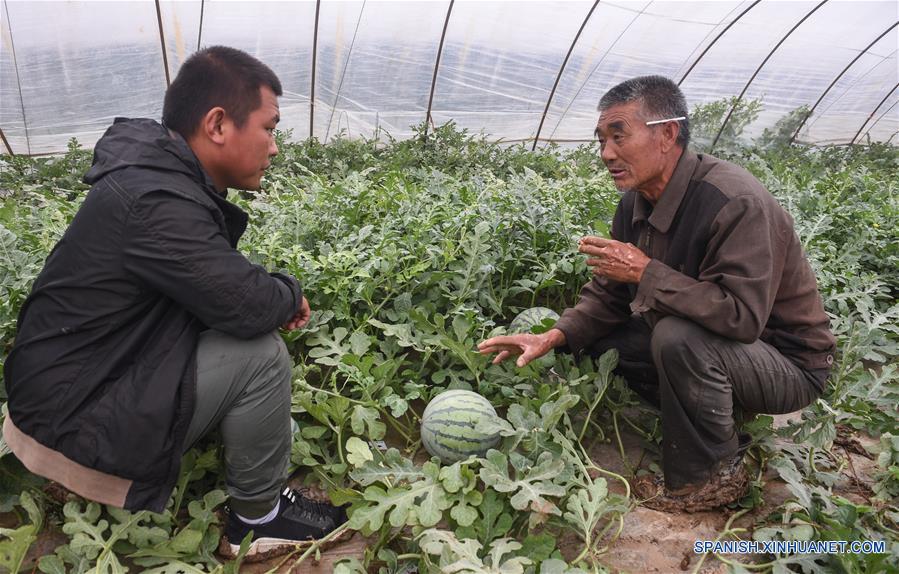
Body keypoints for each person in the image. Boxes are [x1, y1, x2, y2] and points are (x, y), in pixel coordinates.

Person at [3, 46, 345, 558]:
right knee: (261, 356)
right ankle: (259, 519)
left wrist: (272, 293)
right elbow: (248, 305)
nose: (274, 147)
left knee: (228, 331)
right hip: (73, 420)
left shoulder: (154, 176)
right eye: (270, 128)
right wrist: (288, 293)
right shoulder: (154, 201)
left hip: (72, 392)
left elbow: (220, 288)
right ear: (217, 124)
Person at [478, 75, 835, 512]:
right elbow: (608, 297)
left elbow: (742, 318)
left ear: (667, 133)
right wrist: (552, 336)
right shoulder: (635, 203)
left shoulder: (735, 201)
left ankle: (711, 478)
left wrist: (646, 272)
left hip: (786, 365)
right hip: (727, 353)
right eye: (601, 139)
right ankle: (718, 412)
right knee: (599, 339)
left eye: (619, 135)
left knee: (676, 337)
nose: (607, 154)